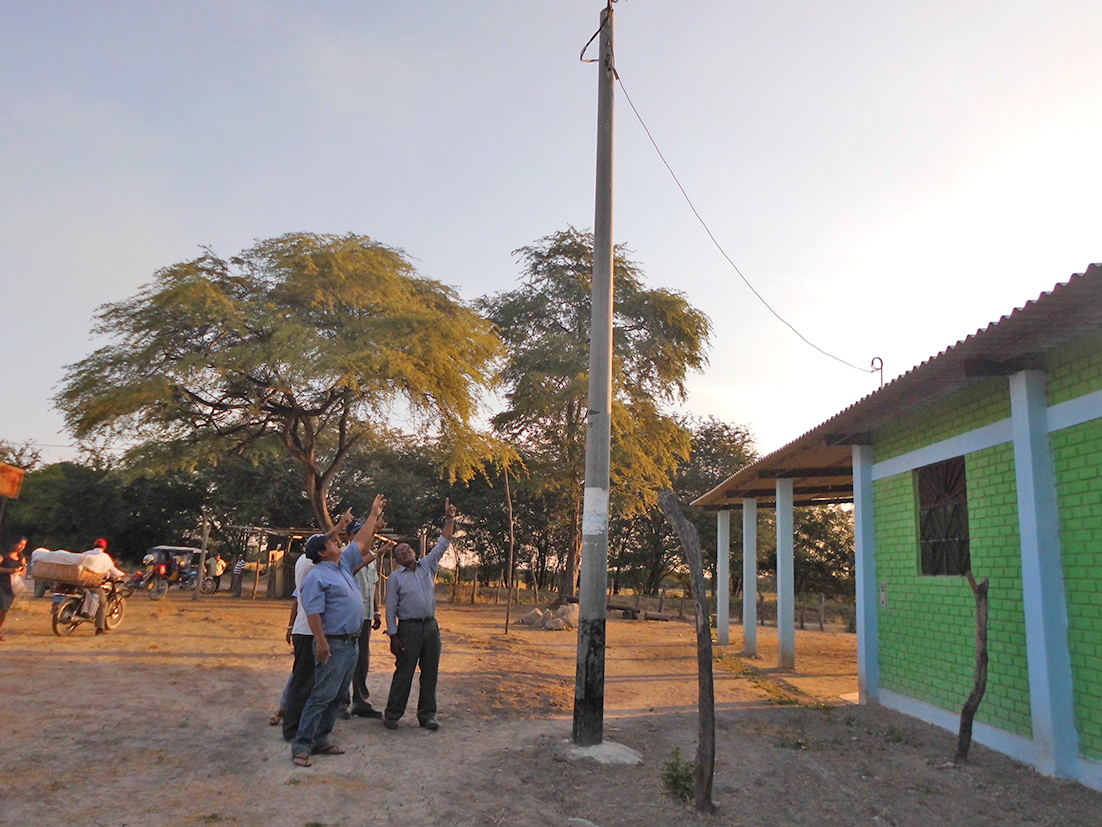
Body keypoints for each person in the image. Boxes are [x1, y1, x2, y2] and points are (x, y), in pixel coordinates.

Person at [291, 495, 386, 767]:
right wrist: (321, 642)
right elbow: (312, 613)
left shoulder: (342, 565)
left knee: (335, 696)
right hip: (333, 644)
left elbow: (360, 541)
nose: (336, 542)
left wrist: (373, 514)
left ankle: (321, 740)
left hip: (351, 644)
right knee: (321, 696)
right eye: (332, 542)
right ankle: (302, 746)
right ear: (322, 551)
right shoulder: (317, 577)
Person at [383, 498, 457, 731]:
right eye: (399, 552)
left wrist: (450, 519)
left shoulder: (428, 565)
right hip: (409, 629)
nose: (404, 552)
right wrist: (394, 636)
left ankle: (427, 715)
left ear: (414, 551)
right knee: (404, 672)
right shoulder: (396, 578)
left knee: (430, 673)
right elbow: (390, 608)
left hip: (430, 627)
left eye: (407, 549)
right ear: (397, 560)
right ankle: (393, 714)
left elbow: (444, 542)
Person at [345, 524, 390, 719]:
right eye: (357, 533)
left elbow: (371, 587)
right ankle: (340, 703)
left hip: (365, 615)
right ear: (349, 536)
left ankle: (360, 701)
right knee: (345, 657)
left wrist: (376, 611)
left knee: (362, 659)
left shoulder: (371, 556)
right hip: (349, 614)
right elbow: (352, 570)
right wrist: (377, 553)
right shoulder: (346, 553)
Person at [79, 540, 125, 635]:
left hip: (79, 583)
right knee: (103, 604)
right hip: (92, 584)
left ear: (94, 545)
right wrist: (123, 575)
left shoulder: (85, 553)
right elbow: (113, 571)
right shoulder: (105, 557)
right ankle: (100, 628)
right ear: (104, 547)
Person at [0, 536, 28, 641]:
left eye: (24, 545)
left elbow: (24, 570)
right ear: (14, 543)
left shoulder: (22, 558)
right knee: (1, 607)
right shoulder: (4, 556)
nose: (21, 547)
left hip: (11, 587)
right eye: (20, 544)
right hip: (1, 585)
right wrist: (9, 570)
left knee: (5, 610)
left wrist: (20, 571)